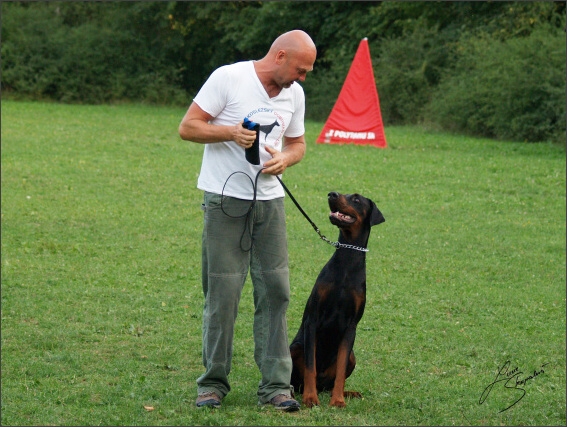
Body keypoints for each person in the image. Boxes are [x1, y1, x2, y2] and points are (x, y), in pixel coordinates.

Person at [178, 30, 317, 411]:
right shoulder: (229, 78)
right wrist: (230, 132)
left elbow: (298, 143)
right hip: (225, 202)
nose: (303, 78)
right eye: (300, 70)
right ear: (281, 56)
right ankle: (212, 384)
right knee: (223, 295)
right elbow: (188, 126)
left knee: (276, 292)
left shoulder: (295, 94)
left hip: (270, 205)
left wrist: (286, 159)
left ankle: (275, 386)